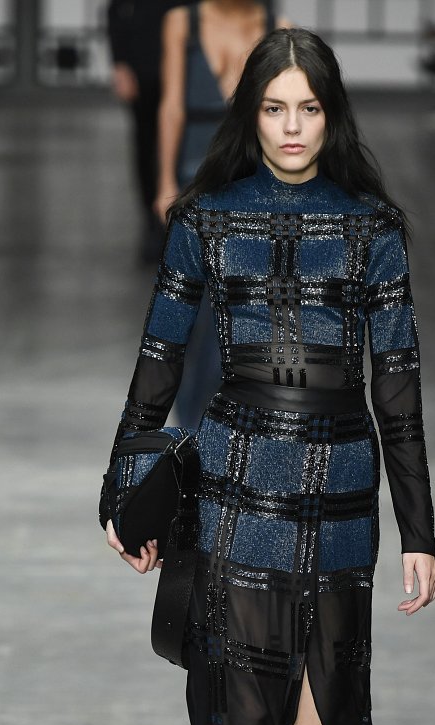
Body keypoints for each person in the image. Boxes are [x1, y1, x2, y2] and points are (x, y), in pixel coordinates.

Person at [101, 27, 435, 725]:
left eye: (309, 109)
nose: (292, 128)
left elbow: (397, 387)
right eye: (274, 108)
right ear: (250, 115)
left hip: (339, 497)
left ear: (332, 116)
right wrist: (123, 487)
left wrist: (420, 529)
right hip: (236, 484)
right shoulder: (206, 220)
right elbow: (158, 362)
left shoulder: (372, 228)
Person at [155, 0, 292, 425]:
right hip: (195, 183)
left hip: (253, 185)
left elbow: (284, 117)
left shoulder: (278, 29)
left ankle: (213, 424)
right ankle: (192, 424)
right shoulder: (182, 22)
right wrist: (165, 183)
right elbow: (172, 105)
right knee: (192, 310)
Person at [107, 0, 182, 262]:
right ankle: (153, 221)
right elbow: (116, 10)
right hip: (145, 65)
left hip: (184, 63)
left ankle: (182, 223)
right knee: (146, 145)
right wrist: (120, 64)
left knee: (186, 145)